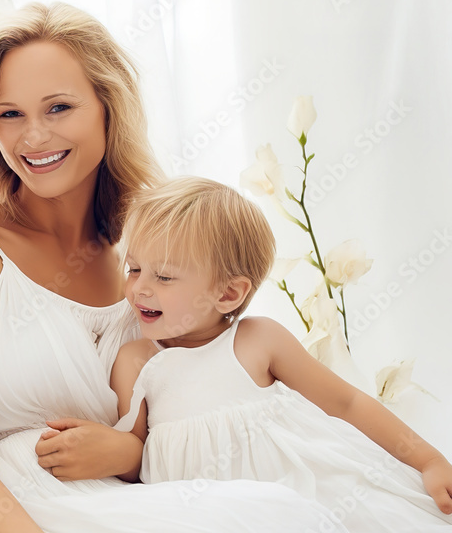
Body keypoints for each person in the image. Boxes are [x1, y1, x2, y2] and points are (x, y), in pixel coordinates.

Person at [0, 2, 346, 532]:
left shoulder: (158, 257)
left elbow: (198, 421)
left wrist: (129, 457)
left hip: (140, 502)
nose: (32, 137)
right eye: (10, 114)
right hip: (3, 510)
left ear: (108, 108)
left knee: (284, 513)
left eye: (58, 107)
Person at [109, 176, 452, 532]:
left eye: (163, 277)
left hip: (307, 493)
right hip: (206, 514)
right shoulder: (135, 362)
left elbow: (347, 403)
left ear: (228, 294)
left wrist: (428, 459)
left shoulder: (257, 340)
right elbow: (135, 458)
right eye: (133, 269)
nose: (139, 288)